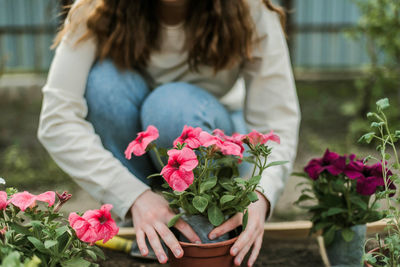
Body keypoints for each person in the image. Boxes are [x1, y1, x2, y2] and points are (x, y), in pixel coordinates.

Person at [38, 0, 300, 266]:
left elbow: (277, 122)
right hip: (139, 157)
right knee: (103, 85)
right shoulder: (95, 9)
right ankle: (151, 220)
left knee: (169, 106)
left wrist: (260, 196)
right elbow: (57, 120)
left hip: (212, 134)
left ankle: (203, 228)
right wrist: (132, 196)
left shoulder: (250, 9)